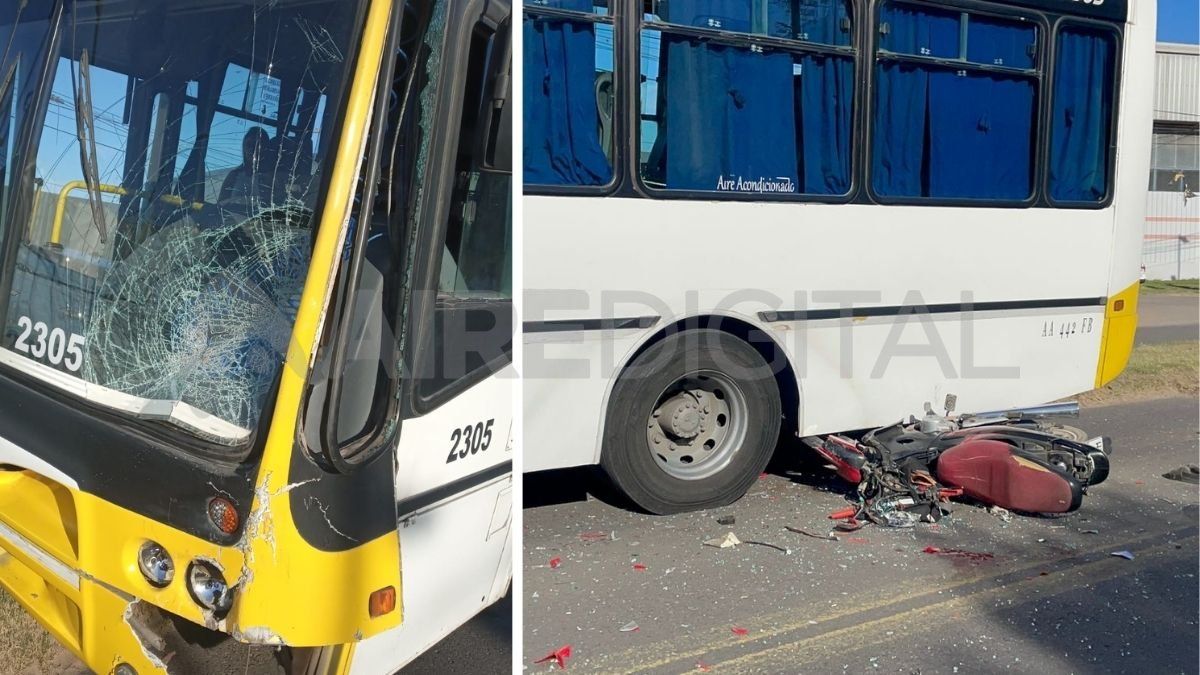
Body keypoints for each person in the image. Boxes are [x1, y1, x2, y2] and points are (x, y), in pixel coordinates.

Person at [219, 127, 272, 205]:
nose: (251, 149)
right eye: (248, 145)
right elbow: (220, 205)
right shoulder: (234, 175)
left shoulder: (272, 177)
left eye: (256, 145)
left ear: (264, 148)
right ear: (244, 147)